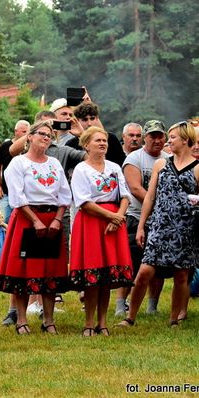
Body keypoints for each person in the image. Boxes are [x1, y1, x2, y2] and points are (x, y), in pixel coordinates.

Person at [118, 121, 199, 328]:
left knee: (182, 274)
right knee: (145, 271)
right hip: (159, 225)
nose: (168, 141)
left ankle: (174, 319)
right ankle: (130, 317)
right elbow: (149, 198)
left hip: (185, 228)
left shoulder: (198, 168)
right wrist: (141, 226)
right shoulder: (161, 164)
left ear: (185, 139)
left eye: (172, 137)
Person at [0, 121, 72, 335]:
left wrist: (56, 219)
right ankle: (21, 319)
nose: (46, 138)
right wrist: (35, 220)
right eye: (42, 134)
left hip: (51, 220)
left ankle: (48, 320)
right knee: (24, 272)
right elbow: (17, 197)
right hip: (27, 219)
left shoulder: (54, 164)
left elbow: (64, 194)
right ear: (29, 136)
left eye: (50, 135)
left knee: (49, 272)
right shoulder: (18, 163)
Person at [69, 126, 133, 336]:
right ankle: (88, 322)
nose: (103, 143)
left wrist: (119, 217)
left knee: (107, 276)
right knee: (92, 275)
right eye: (98, 140)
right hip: (92, 222)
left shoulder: (114, 167)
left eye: (104, 140)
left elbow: (125, 195)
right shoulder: (82, 169)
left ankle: (102, 322)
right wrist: (111, 216)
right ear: (86, 145)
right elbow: (83, 201)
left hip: (113, 222)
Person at [114, 120, 169, 316]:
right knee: (131, 262)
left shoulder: (169, 158)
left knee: (157, 264)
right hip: (136, 217)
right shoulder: (134, 159)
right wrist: (159, 205)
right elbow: (135, 188)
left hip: (162, 220)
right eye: (152, 136)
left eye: (160, 136)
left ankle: (152, 306)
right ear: (145, 137)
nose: (156, 140)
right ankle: (121, 304)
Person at [66, 101, 126, 166]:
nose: (89, 123)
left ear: (97, 118)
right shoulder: (71, 144)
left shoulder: (111, 139)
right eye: (85, 119)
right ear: (77, 120)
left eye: (92, 118)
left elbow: (122, 164)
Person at [0, 120, 30, 223]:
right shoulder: (6, 146)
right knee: (1, 221)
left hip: (25, 194)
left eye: (28, 132)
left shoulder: (31, 146)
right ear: (16, 131)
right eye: (23, 132)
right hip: (7, 192)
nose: (26, 135)